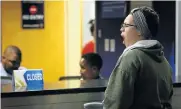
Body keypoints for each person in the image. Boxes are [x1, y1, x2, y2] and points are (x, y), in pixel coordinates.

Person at [84, 6, 173, 109]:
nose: (121, 29)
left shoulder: (132, 57)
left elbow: (116, 102)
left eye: (126, 25)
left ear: (140, 30)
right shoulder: (163, 61)